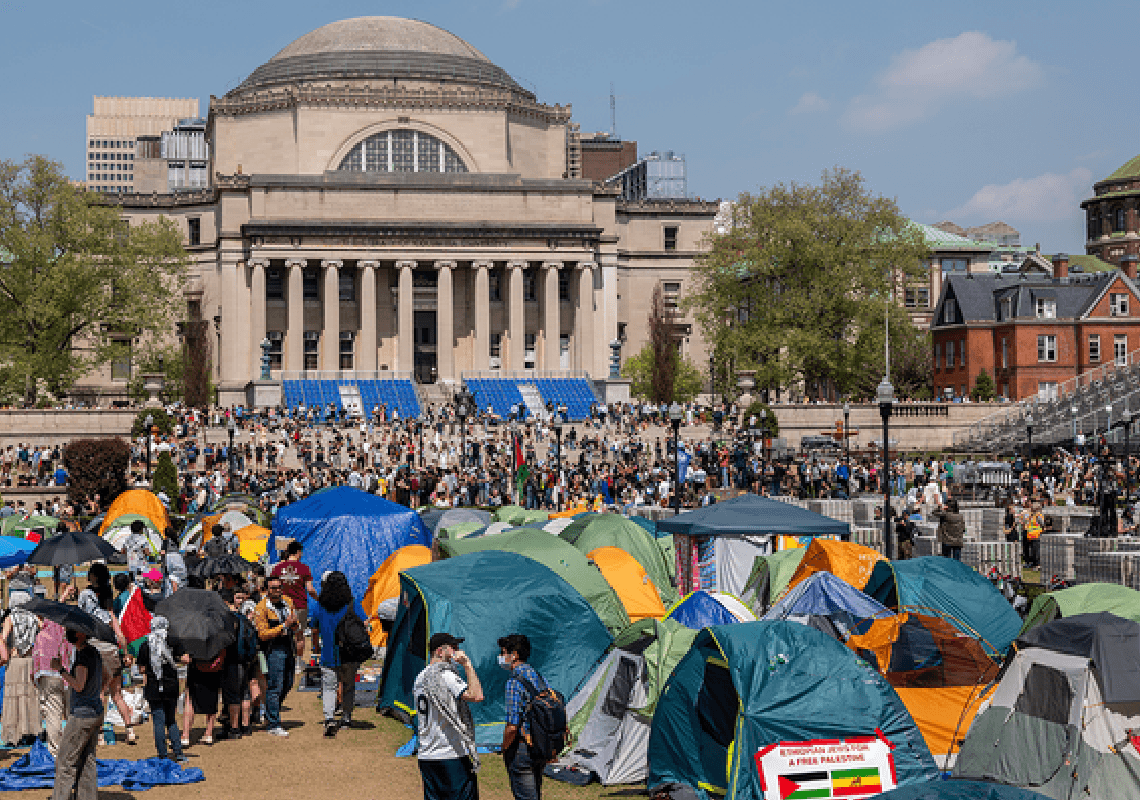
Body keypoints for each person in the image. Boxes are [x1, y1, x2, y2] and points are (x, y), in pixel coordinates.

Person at [414, 632, 483, 800]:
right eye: (454, 648)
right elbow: (477, 695)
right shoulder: (446, 675)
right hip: (450, 754)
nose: (458, 652)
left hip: (427, 754)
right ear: (440, 651)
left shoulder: (420, 677)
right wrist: (467, 664)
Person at [308, 571, 368, 736]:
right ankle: (347, 717)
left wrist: (316, 648)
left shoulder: (320, 605)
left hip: (328, 652)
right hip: (349, 653)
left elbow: (314, 627)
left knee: (329, 687)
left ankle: (329, 718)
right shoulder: (352, 603)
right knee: (349, 686)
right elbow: (364, 622)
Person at [77, 588, 138, 744]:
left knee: (100, 695)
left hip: (98, 658)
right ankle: (130, 730)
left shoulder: (85, 618)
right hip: (113, 655)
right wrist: (125, 654)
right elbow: (120, 636)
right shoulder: (108, 615)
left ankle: (100, 734)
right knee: (117, 695)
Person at [50, 627, 103, 800]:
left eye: (71, 631)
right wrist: (94, 693)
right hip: (95, 712)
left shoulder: (83, 656)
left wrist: (61, 669)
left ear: (80, 634)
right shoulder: (95, 652)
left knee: (65, 761)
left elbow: (79, 685)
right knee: (87, 760)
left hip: (82, 715)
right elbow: (108, 676)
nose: (68, 634)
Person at [498, 633, 551, 800]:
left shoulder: (514, 682)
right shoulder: (539, 677)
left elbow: (513, 726)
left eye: (503, 652)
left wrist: (504, 747)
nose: (501, 657)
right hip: (541, 744)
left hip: (522, 748)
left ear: (514, 655)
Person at [137, 616, 188, 762]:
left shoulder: (146, 644)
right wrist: (173, 661)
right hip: (171, 685)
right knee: (171, 720)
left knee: (158, 721)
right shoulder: (173, 640)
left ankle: (162, 755)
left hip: (153, 686)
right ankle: (178, 753)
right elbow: (185, 659)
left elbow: (141, 669)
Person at [253, 576, 299, 737]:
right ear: (266, 590)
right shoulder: (261, 608)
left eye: (279, 587)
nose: (277, 590)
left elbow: (295, 622)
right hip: (273, 649)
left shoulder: (288, 601)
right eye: (273, 588)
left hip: (288, 646)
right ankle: (273, 723)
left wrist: (294, 624)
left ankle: (270, 712)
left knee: (288, 683)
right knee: (275, 686)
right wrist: (283, 626)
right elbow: (263, 634)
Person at [0, 590, 41, 746]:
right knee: (30, 696)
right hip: (30, 660)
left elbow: (3, 638)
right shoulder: (34, 618)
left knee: (13, 698)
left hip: (15, 660)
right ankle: (30, 732)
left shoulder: (10, 618)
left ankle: (13, 735)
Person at [32, 618, 72, 755]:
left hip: (46, 676)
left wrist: (34, 676)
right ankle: (72, 745)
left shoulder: (41, 636)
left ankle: (55, 749)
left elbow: (35, 658)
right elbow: (69, 655)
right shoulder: (63, 635)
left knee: (52, 714)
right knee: (68, 713)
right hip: (64, 676)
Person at [269, 542, 315, 657]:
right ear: (298, 552)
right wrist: (318, 598)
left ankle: (283, 658)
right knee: (299, 636)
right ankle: (298, 663)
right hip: (300, 606)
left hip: (281, 606)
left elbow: (270, 587)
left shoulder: (277, 568)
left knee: (281, 634)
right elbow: (310, 589)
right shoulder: (304, 568)